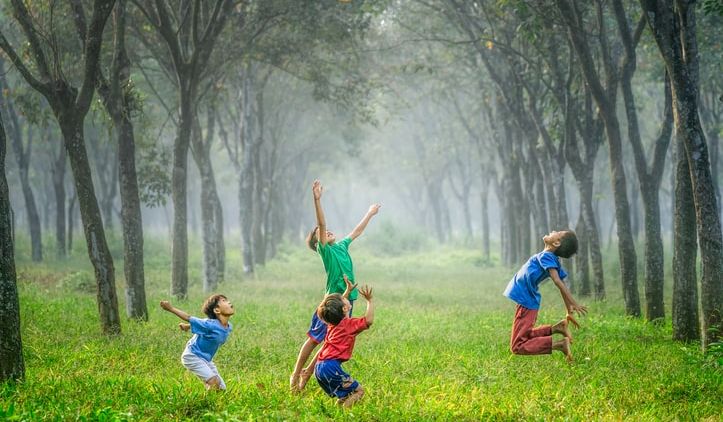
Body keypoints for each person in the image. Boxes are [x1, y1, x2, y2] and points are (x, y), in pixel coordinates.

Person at [290, 180, 380, 392]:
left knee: (332, 339)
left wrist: (369, 213)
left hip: (348, 300)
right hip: (332, 302)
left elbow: (356, 231)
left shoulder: (341, 246)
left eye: (328, 231)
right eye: (321, 233)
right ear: (317, 242)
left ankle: (308, 373)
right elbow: (321, 224)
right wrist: (317, 199)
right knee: (314, 339)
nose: (327, 231)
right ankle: (296, 373)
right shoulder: (326, 251)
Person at [503, 230, 587, 361]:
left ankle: (559, 345)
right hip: (527, 301)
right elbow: (561, 283)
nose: (553, 231)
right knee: (526, 335)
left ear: (556, 242)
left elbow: (558, 281)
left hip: (526, 302)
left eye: (557, 232)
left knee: (517, 346)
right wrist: (568, 310)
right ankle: (557, 328)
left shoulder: (547, 256)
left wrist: (573, 303)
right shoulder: (550, 258)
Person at [312, 284, 374, 407]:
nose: (345, 297)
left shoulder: (332, 323)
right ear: (345, 308)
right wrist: (369, 301)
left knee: (346, 395)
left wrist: (347, 291)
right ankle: (344, 417)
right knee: (358, 391)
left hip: (319, 367)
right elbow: (368, 320)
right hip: (330, 367)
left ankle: (336, 413)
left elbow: (334, 307)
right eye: (344, 298)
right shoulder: (348, 325)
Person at [160, 295, 234, 390]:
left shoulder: (228, 326)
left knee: (221, 388)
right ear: (217, 310)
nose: (228, 302)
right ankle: (205, 403)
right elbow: (189, 317)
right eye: (224, 301)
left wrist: (187, 326)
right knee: (213, 382)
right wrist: (170, 308)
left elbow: (202, 325)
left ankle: (212, 401)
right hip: (192, 356)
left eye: (227, 300)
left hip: (206, 360)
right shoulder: (210, 324)